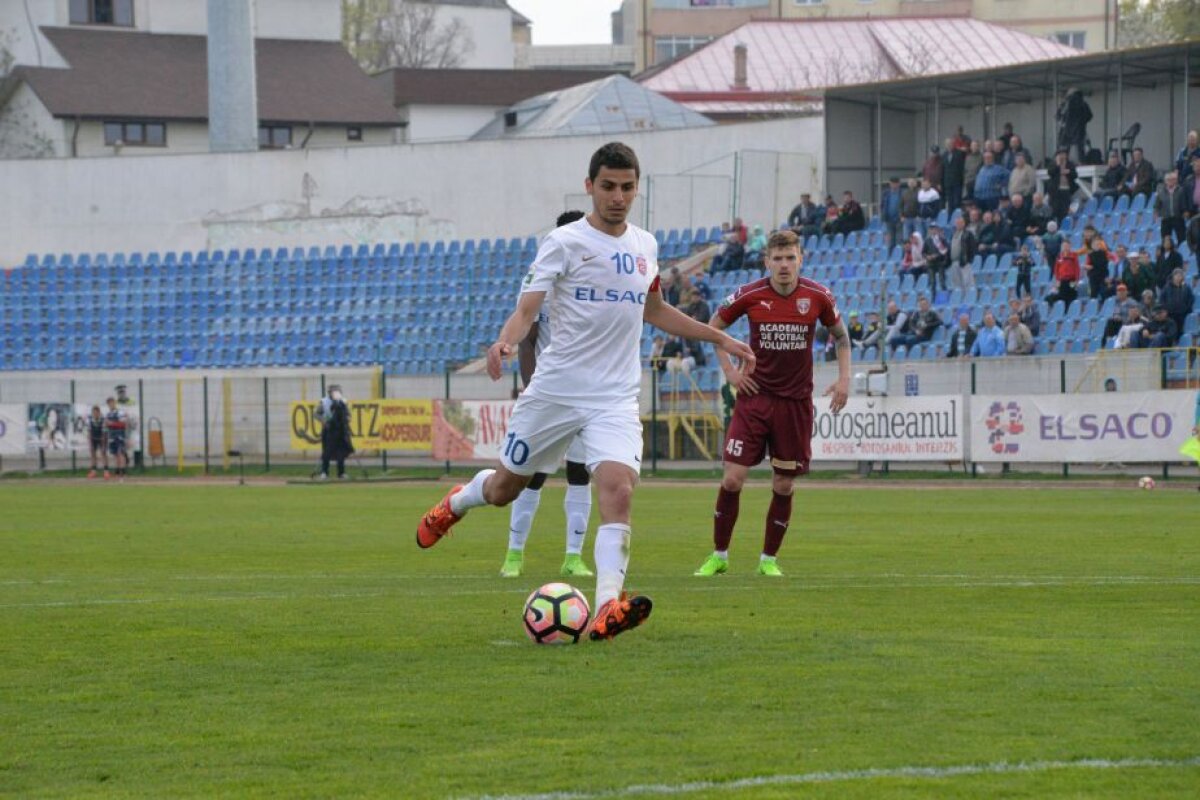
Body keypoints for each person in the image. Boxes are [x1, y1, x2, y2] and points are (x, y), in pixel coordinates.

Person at [415, 141, 756, 642]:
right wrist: (504, 343)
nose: (618, 196)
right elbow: (528, 309)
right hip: (555, 391)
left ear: (636, 188)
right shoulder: (564, 242)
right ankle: (458, 502)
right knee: (504, 490)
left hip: (614, 397)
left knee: (618, 489)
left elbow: (656, 309)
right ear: (590, 186)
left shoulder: (645, 245)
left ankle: (606, 607)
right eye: (608, 186)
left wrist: (719, 335)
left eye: (627, 187)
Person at [694, 229, 849, 579]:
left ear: (800, 260)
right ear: (766, 262)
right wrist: (731, 373)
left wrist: (844, 379)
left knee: (783, 485)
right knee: (733, 479)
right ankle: (719, 555)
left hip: (794, 404)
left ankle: (768, 560)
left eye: (790, 258)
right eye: (777, 259)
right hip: (753, 400)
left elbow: (841, 336)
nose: (783, 265)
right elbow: (713, 328)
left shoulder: (818, 296)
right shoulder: (749, 295)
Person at [500, 209, 595, 580]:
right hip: (550, 393)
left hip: (588, 396)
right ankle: (514, 554)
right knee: (530, 476)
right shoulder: (545, 282)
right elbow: (528, 342)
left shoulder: (597, 284)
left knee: (579, 474)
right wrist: (531, 387)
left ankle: (573, 557)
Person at [316, 385, 354, 480]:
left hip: (341, 431)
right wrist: (323, 421)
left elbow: (348, 414)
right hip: (329, 430)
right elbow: (316, 414)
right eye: (334, 391)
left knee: (341, 452)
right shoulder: (324, 402)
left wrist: (347, 419)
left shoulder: (343, 401)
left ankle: (341, 473)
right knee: (327, 452)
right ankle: (324, 472)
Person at [1055, 88, 1092, 165]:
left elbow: (1058, 116)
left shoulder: (1065, 103)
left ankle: (1063, 163)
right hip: (1079, 130)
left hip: (1066, 130)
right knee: (1080, 148)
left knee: (1064, 148)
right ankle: (1082, 162)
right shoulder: (1083, 103)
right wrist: (1082, 122)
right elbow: (1089, 116)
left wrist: (1063, 123)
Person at [1077, 225, 1110, 299]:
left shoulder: (1100, 242)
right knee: (1093, 294)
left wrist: (1091, 266)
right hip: (1093, 274)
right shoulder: (1087, 243)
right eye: (1085, 233)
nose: (1086, 235)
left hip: (1101, 273)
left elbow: (1104, 258)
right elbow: (1084, 251)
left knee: (1103, 293)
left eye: (1088, 232)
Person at [1154, 171, 1188, 244]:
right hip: (1166, 219)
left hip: (1178, 218)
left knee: (1181, 238)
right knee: (1165, 240)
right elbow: (1157, 205)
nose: (1170, 181)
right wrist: (1157, 213)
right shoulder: (1161, 192)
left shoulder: (1181, 190)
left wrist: (1185, 212)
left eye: (1172, 179)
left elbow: (1184, 203)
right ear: (1165, 181)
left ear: (1176, 180)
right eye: (1168, 180)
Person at [1161, 268, 1195, 339]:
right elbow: (1162, 299)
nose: (1179, 277)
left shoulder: (1186, 287)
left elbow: (1191, 299)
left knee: (1181, 332)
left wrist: (1186, 308)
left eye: (1180, 275)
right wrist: (1166, 309)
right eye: (1177, 275)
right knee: (1172, 332)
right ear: (1173, 276)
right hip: (1171, 314)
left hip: (1182, 314)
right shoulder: (1167, 287)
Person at [1046, 149, 1078, 222]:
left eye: (1063, 154)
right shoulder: (1053, 164)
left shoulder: (1070, 164)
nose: (1062, 156)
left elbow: (1075, 175)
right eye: (1060, 154)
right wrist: (1057, 165)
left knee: (1064, 210)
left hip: (1066, 190)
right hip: (1056, 191)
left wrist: (1068, 172)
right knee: (1054, 210)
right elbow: (1050, 173)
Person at [103, 396, 129, 481]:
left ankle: (123, 472)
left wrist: (111, 423)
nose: (110, 404)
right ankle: (118, 471)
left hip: (119, 435)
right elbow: (106, 426)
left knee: (120, 453)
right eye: (109, 403)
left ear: (114, 403)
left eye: (111, 402)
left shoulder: (120, 412)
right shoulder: (108, 414)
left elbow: (123, 424)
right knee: (115, 454)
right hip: (112, 436)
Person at [948, 215, 977, 291]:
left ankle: (969, 298)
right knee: (957, 284)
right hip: (954, 262)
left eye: (960, 223)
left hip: (964, 261)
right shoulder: (953, 234)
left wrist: (968, 259)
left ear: (964, 223)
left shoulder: (968, 234)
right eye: (957, 223)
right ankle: (960, 299)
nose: (958, 224)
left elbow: (972, 247)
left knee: (968, 282)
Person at [922, 223, 950, 293]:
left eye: (934, 228)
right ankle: (933, 297)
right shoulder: (927, 240)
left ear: (937, 229)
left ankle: (945, 294)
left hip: (940, 262)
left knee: (942, 281)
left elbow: (946, 250)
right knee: (932, 282)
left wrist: (936, 255)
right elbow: (923, 252)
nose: (933, 230)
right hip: (931, 264)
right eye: (931, 229)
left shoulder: (942, 239)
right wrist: (927, 257)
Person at [880, 177, 902, 249]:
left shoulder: (902, 193)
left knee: (899, 239)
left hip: (899, 219)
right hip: (888, 219)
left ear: (899, 184)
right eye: (892, 183)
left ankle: (899, 255)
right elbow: (882, 205)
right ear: (890, 184)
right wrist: (883, 214)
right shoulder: (885, 193)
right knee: (891, 240)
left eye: (895, 183)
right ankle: (891, 255)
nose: (894, 185)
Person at [87, 405, 107, 479]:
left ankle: (106, 471)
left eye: (96, 412)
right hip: (93, 439)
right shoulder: (90, 420)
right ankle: (93, 471)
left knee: (103, 453)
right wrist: (90, 443)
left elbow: (104, 432)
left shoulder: (102, 420)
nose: (95, 414)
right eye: (94, 413)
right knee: (93, 454)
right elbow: (89, 432)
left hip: (101, 438)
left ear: (99, 413)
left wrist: (103, 442)